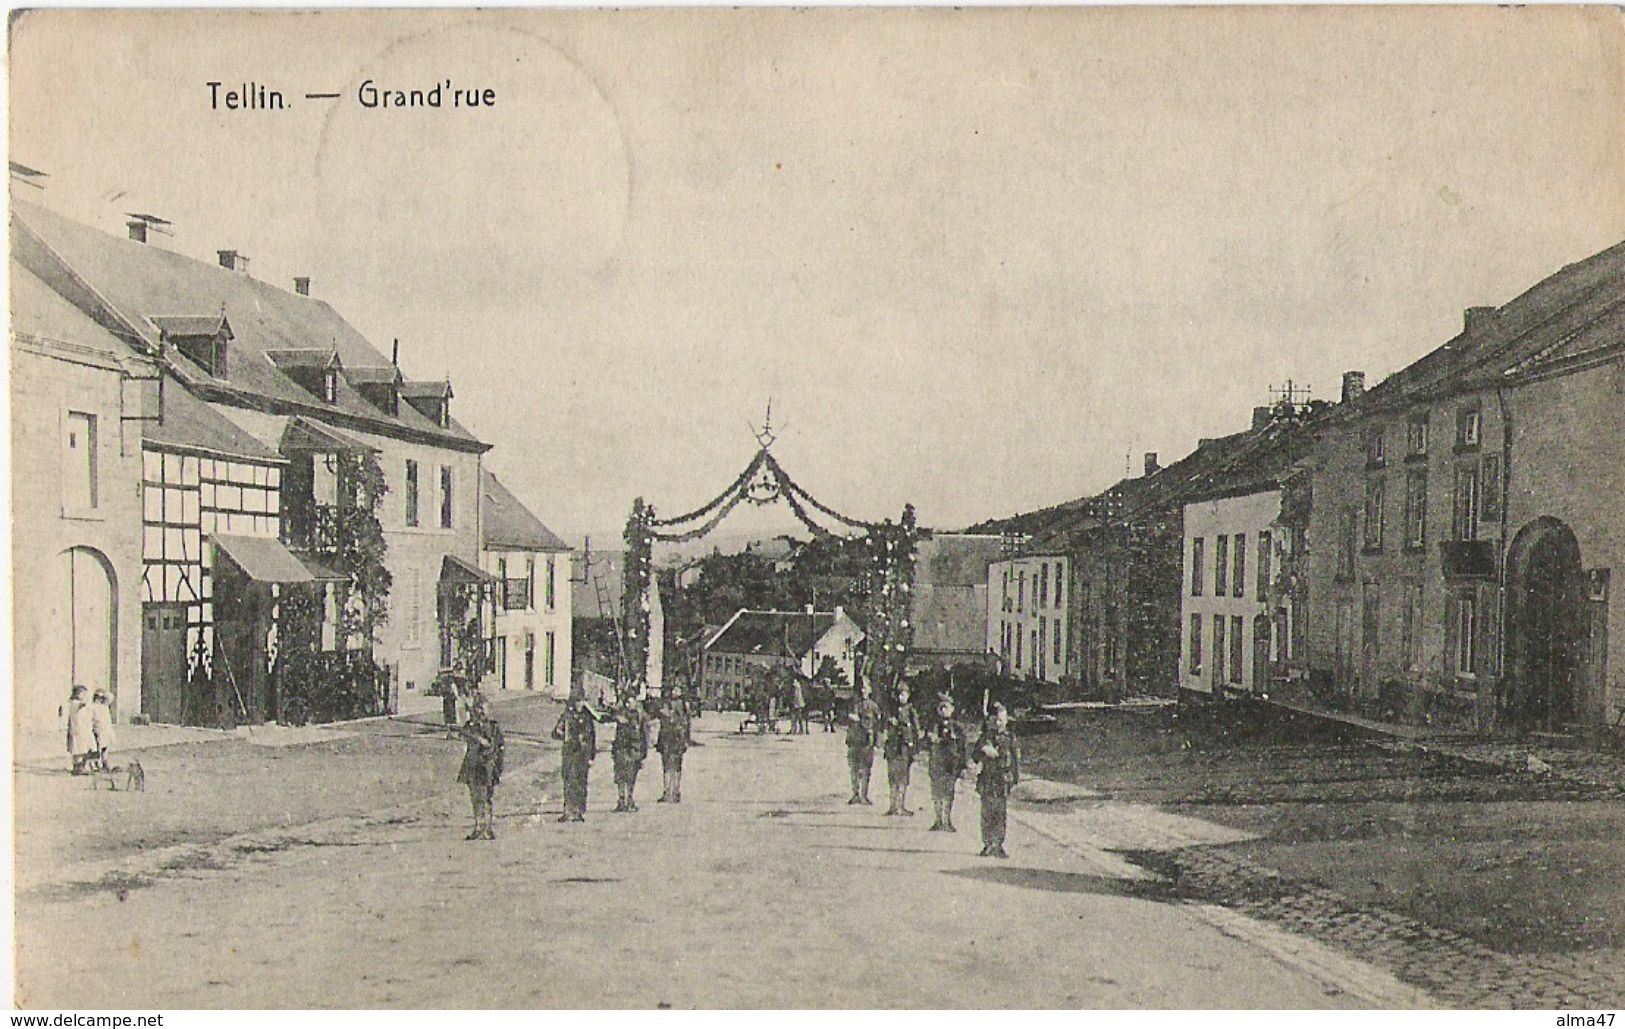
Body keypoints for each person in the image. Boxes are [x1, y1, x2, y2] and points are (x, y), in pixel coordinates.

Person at [972, 702, 1021, 858]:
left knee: (1000, 812)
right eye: (995, 720)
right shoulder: (985, 738)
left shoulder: (1010, 737)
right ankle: (987, 843)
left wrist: (1014, 777)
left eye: (1001, 720)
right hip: (987, 778)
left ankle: (998, 844)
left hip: (1002, 779)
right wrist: (983, 750)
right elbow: (974, 757)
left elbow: (1015, 759)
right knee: (987, 812)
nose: (998, 723)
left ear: (1006, 721)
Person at [455, 694, 504, 840]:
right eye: (478, 709)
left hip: (487, 767)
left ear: (488, 709)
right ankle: (478, 826)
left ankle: (487, 827)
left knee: (486, 797)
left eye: (483, 709)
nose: (481, 712)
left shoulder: (493, 726)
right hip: (472, 766)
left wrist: (498, 768)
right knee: (475, 797)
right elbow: (461, 736)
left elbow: (497, 747)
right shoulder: (471, 726)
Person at [552, 686, 598, 822]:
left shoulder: (587, 717)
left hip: (583, 754)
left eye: (582, 701)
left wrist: (591, 756)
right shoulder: (567, 716)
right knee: (568, 781)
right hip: (569, 753)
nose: (579, 704)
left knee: (581, 782)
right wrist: (560, 734)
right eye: (577, 701)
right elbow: (555, 732)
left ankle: (579, 810)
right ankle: (568, 810)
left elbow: (592, 738)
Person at [926, 693, 967, 832]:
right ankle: (938, 820)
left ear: (953, 709)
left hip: (951, 765)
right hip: (937, 763)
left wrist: (963, 766)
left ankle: (947, 820)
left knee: (949, 793)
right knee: (937, 792)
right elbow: (926, 742)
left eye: (947, 707)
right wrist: (931, 738)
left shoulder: (957, 727)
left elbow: (963, 748)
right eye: (941, 708)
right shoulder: (934, 726)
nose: (944, 711)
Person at [883, 685, 922, 816]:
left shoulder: (911, 711)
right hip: (893, 747)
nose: (901, 697)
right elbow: (884, 727)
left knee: (903, 778)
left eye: (904, 695)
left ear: (908, 695)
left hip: (905, 748)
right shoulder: (891, 710)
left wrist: (916, 749)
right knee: (892, 776)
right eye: (899, 695)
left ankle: (900, 805)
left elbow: (916, 730)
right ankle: (892, 806)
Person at [611, 693, 650, 813]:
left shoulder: (640, 717)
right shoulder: (621, 716)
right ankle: (621, 799)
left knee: (631, 776)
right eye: (627, 702)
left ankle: (629, 798)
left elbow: (645, 734)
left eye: (632, 702)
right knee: (620, 776)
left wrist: (644, 751)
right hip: (621, 749)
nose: (629, 704)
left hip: (634, 749)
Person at [845, 682, 881, 805]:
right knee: (854, 769)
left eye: (865, 688)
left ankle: (864, 796)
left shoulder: (874, 706)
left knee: (866, 769)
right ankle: (855, 794)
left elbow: (877, 725)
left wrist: (877, 742)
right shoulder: (853, 704)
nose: (863, 690)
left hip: (867, 742)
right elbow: (846, 720)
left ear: (870, 690)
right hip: (854, 741)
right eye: (861, 688)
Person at [656, 694, 691, 803]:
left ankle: (670, 792)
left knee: (669, 767)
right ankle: (673, 792)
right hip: (673, 740)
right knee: (674, 766)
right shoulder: (681, 718)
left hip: (671, 740)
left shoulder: (671, 716)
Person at [66, 686, 95, 775]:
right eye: (82, 693)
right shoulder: (74, 703)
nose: (83, 695)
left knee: (85, 748)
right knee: (78, 748)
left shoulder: (78, 703)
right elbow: (82, 705)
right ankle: (77, 767)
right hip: (77, 730)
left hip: (84, 729)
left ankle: (82, 767)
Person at [89, 689, 116, 772]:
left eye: (102, 698)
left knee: (105, 747)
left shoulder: (104, 706)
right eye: (99, 697)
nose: (100, 699)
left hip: (106, 729)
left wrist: (105, 695)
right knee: (97, 747)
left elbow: (111, 697)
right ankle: (95, 764)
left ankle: (104, 762)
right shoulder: (92, 707)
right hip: (98, 729)